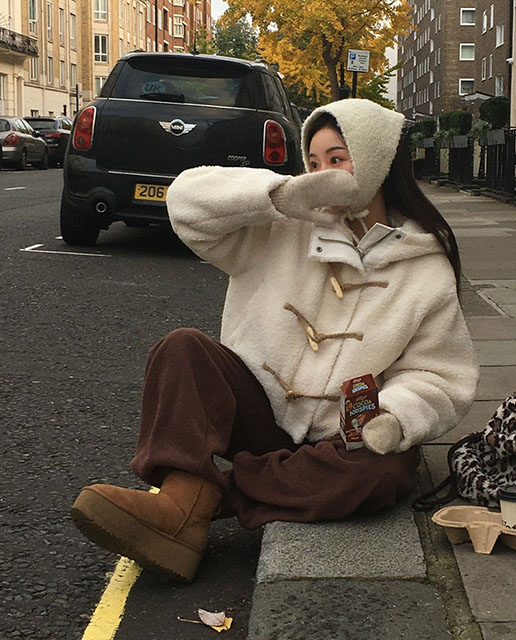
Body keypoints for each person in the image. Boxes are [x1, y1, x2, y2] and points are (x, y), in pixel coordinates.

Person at [70, 98, 479, 582]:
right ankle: (194, 497)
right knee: (181, 348)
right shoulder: (282, 222)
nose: (323, 174)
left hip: (341, 440)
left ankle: (201, 499)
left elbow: (438, 374)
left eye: (338, 159)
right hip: (259, 412)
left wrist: (393, 416)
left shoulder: (426, 266)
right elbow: (186, 204)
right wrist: (279, 195)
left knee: (383, 474)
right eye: (314, 163)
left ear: (376, 161)